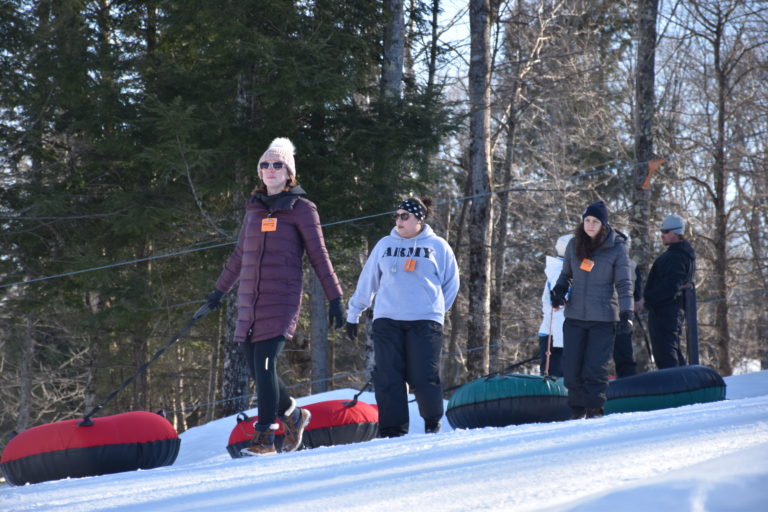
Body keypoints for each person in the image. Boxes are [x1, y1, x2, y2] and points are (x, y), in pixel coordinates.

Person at [206, 137, 345, 455]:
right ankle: (294, 416)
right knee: (257, 370)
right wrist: (217, 291)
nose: (270, 169)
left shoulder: (302, 209)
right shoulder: (254, 210)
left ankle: (265, 438)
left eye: (277, 164)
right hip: (249, 302)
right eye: (265, 164)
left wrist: (335, 297)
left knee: (266, 365)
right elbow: (239, 256)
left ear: (289, 173)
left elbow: (319, 256)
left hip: (281, 300)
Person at [345, 197, 459, 437]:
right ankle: (392, 430)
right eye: (396, 216)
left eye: (404, 216)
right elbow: (369, 280)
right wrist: (354, 312)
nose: (399, 221)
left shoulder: (438, 246)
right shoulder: (385, 244)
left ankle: (431, 421)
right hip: (387, 319)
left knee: (422, 376)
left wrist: (435, 309)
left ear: (419, 219)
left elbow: (451, 283)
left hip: (425, 321)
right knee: (388, 376)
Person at [550, 200, 633, 419]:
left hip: (603, 318)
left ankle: (595, 410)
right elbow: (566, 275)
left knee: (595, 369)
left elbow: (624, 284)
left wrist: (627, 312)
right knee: (571, 370)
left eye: (595, 221)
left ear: (604, 224)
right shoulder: (574, 245)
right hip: (575, 315)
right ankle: (576, 411)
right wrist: (559, 290)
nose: (590, 225)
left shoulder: (617, 248)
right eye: (587, 220)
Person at [641, 214, 695, 369]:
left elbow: (671, 285)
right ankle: (683, 386)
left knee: (666, 357)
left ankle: (676, 389)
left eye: (665, 231)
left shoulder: (676, 257)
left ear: (676, 233)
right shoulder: (681, 254)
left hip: (666, 313)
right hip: (670, 312)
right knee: (672, 353)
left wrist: (646, 299)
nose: (661, 235)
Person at [537, 233, 573, 378]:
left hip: (558, 335)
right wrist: (561, 341)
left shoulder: (562, 270)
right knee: (556, 380)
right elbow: (558, 309)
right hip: (556, 337)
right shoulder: (559, 271)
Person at [613, 258, 641, 378]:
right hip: (624, 315)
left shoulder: (599, 259)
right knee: (624, 357)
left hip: (605, 315)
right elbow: (638, 297)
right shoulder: (633, 265)